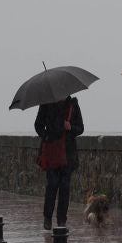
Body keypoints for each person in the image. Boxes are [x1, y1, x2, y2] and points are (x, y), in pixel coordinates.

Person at [34, 96, 84, 230]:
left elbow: (80, 128)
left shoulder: (73, 104)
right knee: (52, 184)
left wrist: (70, 127)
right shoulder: (45, 103)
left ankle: (62, 219)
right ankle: (48, 217)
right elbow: (38, 125)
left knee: (65, 187)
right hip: (52, 152)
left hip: (68, 154)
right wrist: (46, 136)